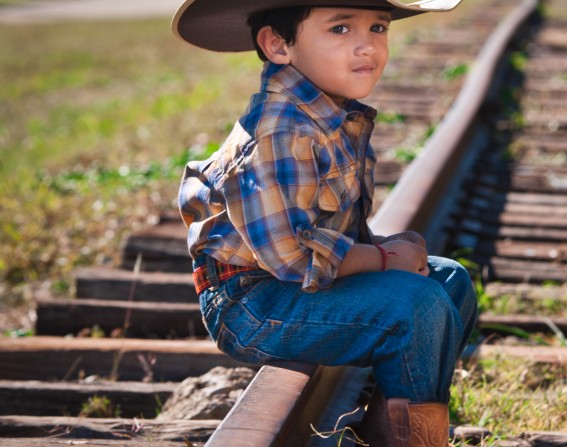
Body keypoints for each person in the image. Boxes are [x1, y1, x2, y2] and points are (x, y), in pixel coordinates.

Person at [172, 1, 477, 446]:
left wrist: (382, 247)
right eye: (339, 29)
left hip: (288, 288)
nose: (366, 45)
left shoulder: (334, 118)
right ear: (278, 44)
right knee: (416, 305)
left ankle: (396, 431)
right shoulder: (280, 132)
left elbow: (332, 227)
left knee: (450, 280)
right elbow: (293, 259)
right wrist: (385, 258)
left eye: (377, 27)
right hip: (252, 303)